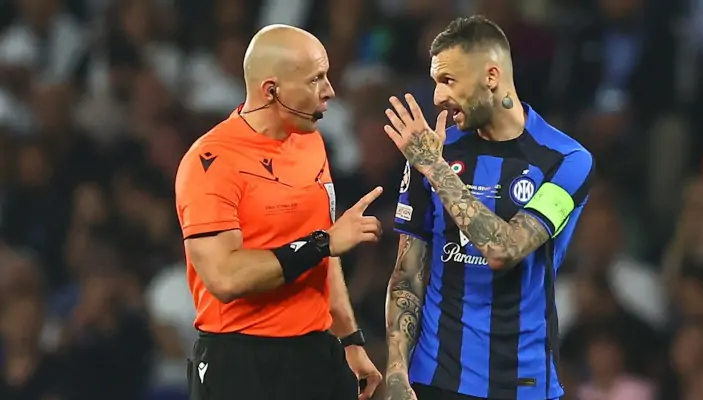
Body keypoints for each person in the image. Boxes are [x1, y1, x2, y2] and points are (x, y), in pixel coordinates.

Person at [383, 16, 594, 400]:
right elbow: (407, 273)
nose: (437, 97)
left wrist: (433, 167)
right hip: (435, 379)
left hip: (523, 384)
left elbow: (505, 249)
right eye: (435, 81)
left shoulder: (566, 160)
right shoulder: (434, 150)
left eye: (448, 80)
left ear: (491, 77)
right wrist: (396, 370)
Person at [175, 24, 382, 400]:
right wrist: (322, 243)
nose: (329, 91)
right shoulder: (211, 161)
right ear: (271, 90)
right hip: (241, 362)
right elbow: (225, 277)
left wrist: (350, 340)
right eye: (315, 79)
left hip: (316, 353)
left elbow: (326, 257)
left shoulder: (311, 143)